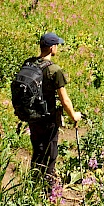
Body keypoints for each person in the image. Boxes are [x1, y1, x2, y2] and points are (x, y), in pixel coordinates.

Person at [27, 32, 80, 188]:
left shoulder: (30, 63)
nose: (57, 47)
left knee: (37, 149)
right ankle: (48, 190)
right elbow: (65, 100)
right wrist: (74, 116)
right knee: (50, 153)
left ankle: (33, 185)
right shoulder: (54, 70)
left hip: (32, 116)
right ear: (51, 48)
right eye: (56, 45)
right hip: (48, 118)